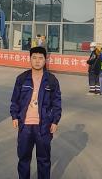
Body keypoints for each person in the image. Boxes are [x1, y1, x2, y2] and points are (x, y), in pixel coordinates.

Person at [9, 46, 62, 179]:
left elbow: (57, 102)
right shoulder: (22, 78)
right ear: (30, 59)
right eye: (34, 58)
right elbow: (15, 100)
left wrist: (55, 121)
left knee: (44, 160)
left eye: (40, 58)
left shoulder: (51, 80)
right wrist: (14, 116)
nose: (37, 61)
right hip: (25, 126)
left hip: (43, 126)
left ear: (45, 60)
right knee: (23, 159)